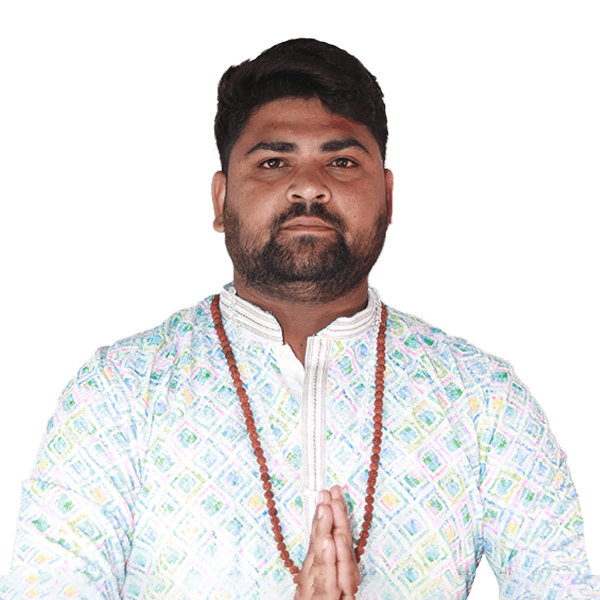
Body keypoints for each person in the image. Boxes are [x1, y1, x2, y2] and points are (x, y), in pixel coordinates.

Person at [2, 37, 597, 600]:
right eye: (272, 162)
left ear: (389, 198)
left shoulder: (482, 394)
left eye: (341, 161)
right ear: (219, 200)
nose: (308, 188)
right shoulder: (121, 389)